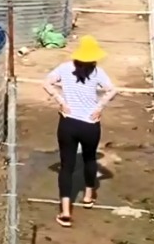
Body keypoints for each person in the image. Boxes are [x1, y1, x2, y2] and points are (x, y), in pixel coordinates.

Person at [41, 35, 118, 228]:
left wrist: (61, 102)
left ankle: (65, 212)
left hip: (68, 123)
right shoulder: (98, 72)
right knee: (90, 159)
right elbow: (112, 90)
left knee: (66, 167)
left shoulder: (65, 68)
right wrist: (99, 107)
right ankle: (89, 196)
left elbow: (46, 83)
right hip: (90, 124)